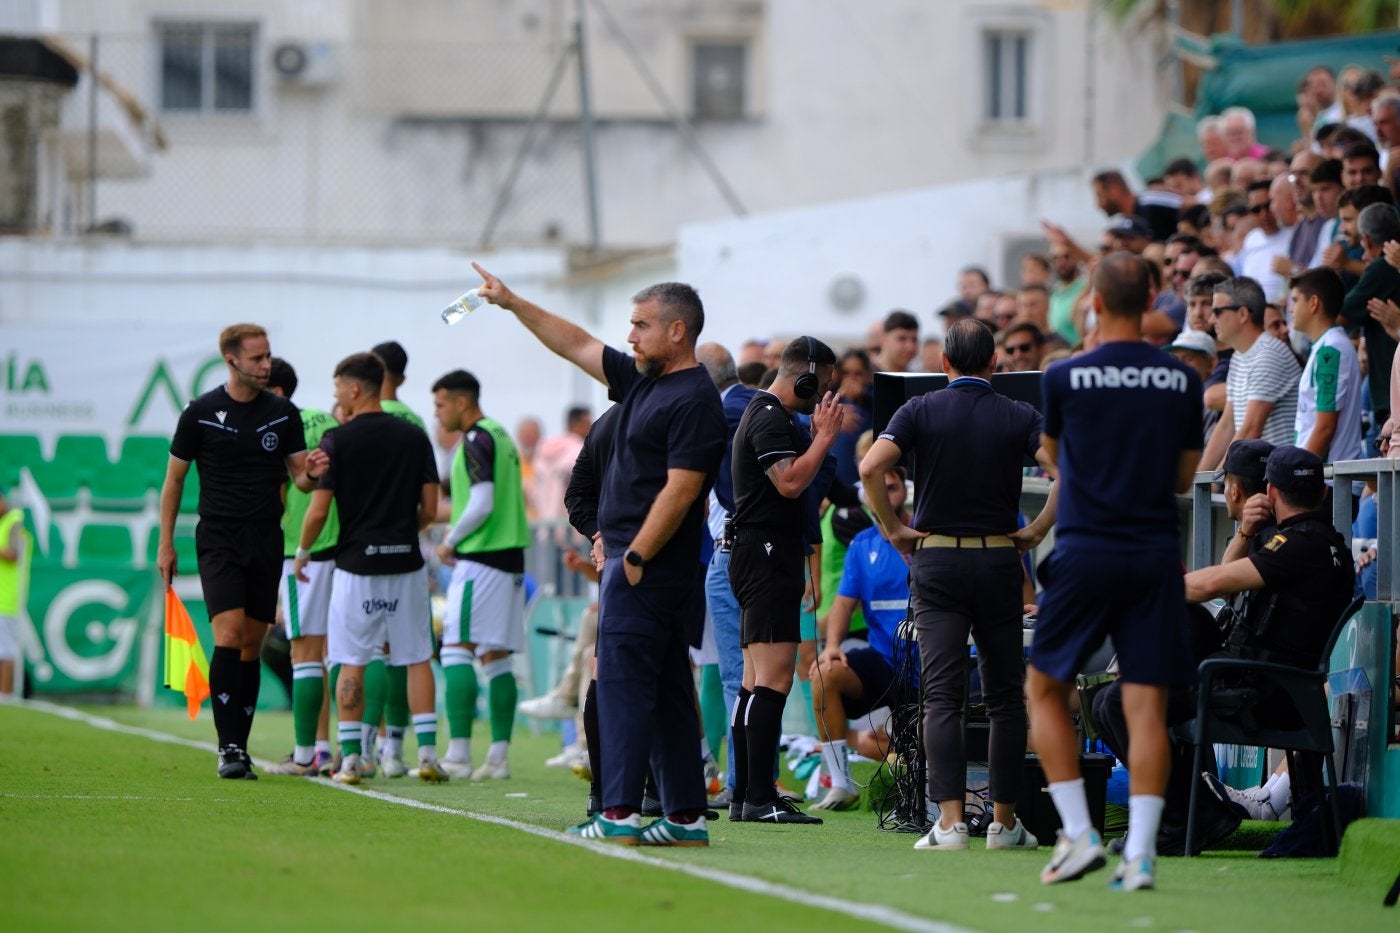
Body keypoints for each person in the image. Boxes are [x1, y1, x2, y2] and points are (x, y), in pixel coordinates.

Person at [473, 262, 725, 848]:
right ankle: (686, 817)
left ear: (678, 331)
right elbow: (578, 343)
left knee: (620, 685)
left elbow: (682, 488)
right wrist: (511, 302)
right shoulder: (643, 380)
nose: (630, 336)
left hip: (647, 568)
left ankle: (618, 810)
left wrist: (633, 557)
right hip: (642, 566)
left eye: (641, 325)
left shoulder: (692, 398)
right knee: (664, 690)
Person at [1028, 253, 1202, 891]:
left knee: (1046, 689)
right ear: (1153, 297)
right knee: (1145, 704)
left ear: (1094, 302)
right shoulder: (1183, 380)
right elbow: (1185, 478)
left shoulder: (1063, 377)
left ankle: (1077, 834)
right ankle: (1143, 855)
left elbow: (1055, 458)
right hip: (1154, 552)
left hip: (1085, 549)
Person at [861, 317, 1055, 853]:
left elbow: (871, 466)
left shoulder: (919, 408)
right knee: (1004, 700)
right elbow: (1068, 470)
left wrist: (894, 529)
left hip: (938, 562)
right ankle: (1004, 822)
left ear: (943, 364)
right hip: (998, 562)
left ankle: (948, 824)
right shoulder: (1019, 413)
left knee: (941, 697)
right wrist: (1036, 530)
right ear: (995, 364)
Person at [157, 323, 319, 780]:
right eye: (256, 359)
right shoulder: (201, 412)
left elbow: (300, 477)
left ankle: (240, 746)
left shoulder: (283, 413)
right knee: (227, 636)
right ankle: (228, 748)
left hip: (266, 538)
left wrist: (315, 473)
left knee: (252, 643)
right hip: (219, 539)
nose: (266, 365)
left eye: (268, 356)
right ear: (231, 361)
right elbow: (174, 481)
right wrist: (165, 543)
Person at [292, 352, 445, 784]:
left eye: (339, 386)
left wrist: (303, 553)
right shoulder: (415, 437)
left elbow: (319, 511)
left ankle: (353, 759)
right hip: (406, 563)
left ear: (355, 388)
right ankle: (430, 755)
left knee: (351, 659)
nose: (337, 394)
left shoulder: (337, 441)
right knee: (417, 656)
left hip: (356, 565)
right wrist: (401, 530)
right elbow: (430, 509)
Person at [1186, 447, 1356, 824]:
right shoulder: (1321, 542)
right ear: (1324, 493)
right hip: (1274, 684)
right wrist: (1247, 532)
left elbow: (1213, 583)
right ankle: (1192, 809)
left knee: (1150, 681)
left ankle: (1189, 813)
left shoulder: (1298, 544)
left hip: (1268, 692)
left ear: (1271, 493)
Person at [728, 336, 843, 825]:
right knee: (772, 679)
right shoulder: (769, 415)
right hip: (767, 552)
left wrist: (815, 438)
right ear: (805, 377)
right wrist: (823, 437)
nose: (822, 400)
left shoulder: (768, 414)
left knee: (754, 683)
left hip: (761, 551)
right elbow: (791, 481)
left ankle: (745, 795)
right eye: (821, 389)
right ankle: (758, 796)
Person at [431, 369, 530, 781]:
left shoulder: (474, 439)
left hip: (482, 559)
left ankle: (456, 754)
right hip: (509, 561)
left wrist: (450, 539)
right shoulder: (500, 435)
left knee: (456, 647)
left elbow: (482, 502)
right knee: (495, 656)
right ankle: (498, 758)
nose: (437, 415)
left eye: (440, 405)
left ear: (461, 402)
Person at [809, 467, 913, 811]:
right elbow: (843, 603)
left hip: (934, 662)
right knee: (824, 674)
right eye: (875, 488)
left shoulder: (927, 536)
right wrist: (833, 646)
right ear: (864, 497)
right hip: (885, 661)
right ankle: (841, 784)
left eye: (892, 486)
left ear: (905, 490)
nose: (884, 493)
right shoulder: (861, 544)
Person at [264, 358, 338, 777]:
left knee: (304, 654)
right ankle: (363, 747)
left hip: (303, 550)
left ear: (273, 391)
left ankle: (311, 752)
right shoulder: (328, 422)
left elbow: (279, 493)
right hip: (343, 550)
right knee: (342, 652)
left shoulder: (276, 427)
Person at [696, 341, 757, 809]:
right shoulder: (760, 406)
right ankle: (752, 780)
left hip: (731, 551)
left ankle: (741, 782)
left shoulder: (723, 413)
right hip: (762, 553)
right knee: (754, 673)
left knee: (736, 675)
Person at [1198, 276, 1301, 472]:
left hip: (1281, 480)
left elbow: (1251, 429)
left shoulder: (1268, 355)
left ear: (1243, 313)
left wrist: (1216, 482)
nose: (1211, 319)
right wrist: (1200, 481)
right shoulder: (1240, 355)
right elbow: (1227, 425)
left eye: (1217, 311)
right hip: (1264, 476)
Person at [1290, 268, 1364, 465]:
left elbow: (1325, 428)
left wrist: (1297, 474)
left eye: (1295, 300)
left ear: (1313, 303)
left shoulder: (1330, 351)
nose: (1291, 309)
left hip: (1327, 483)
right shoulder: (1326, 347)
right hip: (1321, 478)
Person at [0, 489, 30, 698]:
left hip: (7, 598)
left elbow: (14, 553)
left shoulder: (14, 520)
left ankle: (5, 694)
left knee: (6, 650)